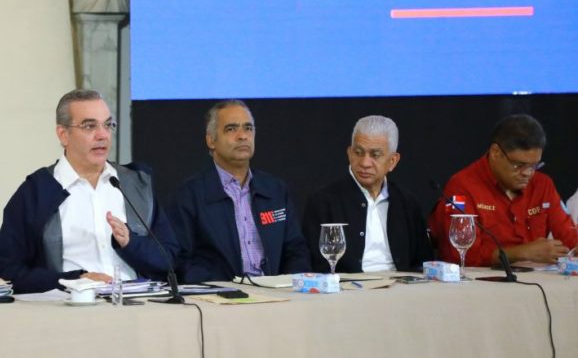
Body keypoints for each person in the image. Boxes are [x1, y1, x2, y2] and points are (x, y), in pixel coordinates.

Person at [0, 89, 178, 294]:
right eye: (90, 126)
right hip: (70, 307)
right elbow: (7, 272)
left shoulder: (135, 185)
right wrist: (74, 280)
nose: (102, 135)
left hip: (138, 305)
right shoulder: (37, 192)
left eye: (108, 125)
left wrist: (131, 243)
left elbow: (170, 259)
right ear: (63, 134)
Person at [167, 100, 309, 283]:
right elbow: (180, 260)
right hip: (219, 294)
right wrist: (224, 287)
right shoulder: (189, 195)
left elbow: (296, 250)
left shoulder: (276, 190)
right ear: (211, 140)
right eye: (231, 129)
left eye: (248, 128)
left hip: (275, 293)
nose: (242, 136)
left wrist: (288, 284)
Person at [429, 114, 577, 266]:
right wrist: (521, 253)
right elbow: (460, 255)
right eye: (519, 165)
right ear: (496, 152)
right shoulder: (462, 187)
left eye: (534, 166)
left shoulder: (543, 185)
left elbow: (570, 236)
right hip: (481, 279)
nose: (528, 173)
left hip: (538, 277)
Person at [302, 115, 431, 273]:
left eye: (375, 155)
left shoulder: (408, 204)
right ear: (349, 154)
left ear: (393, 161)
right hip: (347, 285)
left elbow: (423, 263)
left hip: (401, 283)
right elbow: (314, 266)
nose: (364, 163)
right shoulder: (323, 202)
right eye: (358, 152)